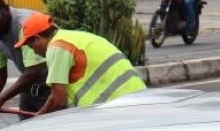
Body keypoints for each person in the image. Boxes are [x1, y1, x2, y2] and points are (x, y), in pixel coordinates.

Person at [13, 12, 146, 115]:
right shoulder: (72, 37)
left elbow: (58, 100)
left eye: (31, 47)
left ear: (37, 39)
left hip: (116, 106)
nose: (34, 53)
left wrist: (38, 118)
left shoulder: (57, 46)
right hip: (135, 98)